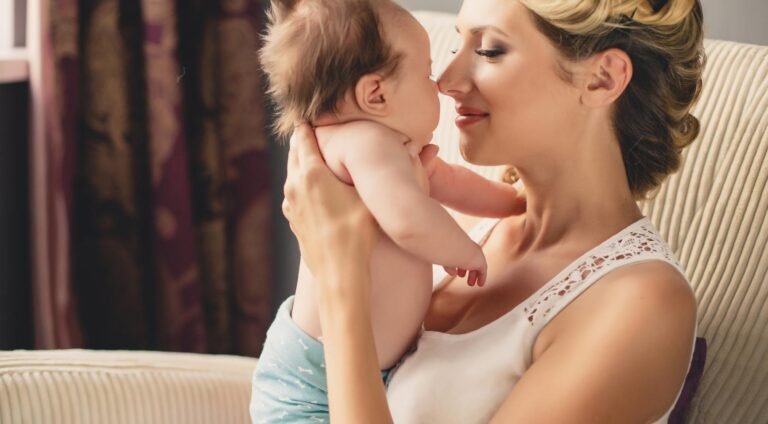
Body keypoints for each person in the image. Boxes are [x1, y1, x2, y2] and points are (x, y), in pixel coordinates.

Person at [279, 0, 706, 422]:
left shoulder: (639, 305)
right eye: (455, 47)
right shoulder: (460, 223)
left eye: (488, 51)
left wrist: (340, 277)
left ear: (602, 78)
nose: (445, 81)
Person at [250, 0, 525, 421]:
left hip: (357, 371)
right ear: (375, 94)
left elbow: (452, 183)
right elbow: (407, 220)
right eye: (426, 72)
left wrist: (515, 202)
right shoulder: (362, 145)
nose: (438, 85)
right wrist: (463, 251)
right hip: (311, 383)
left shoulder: (393, 153)